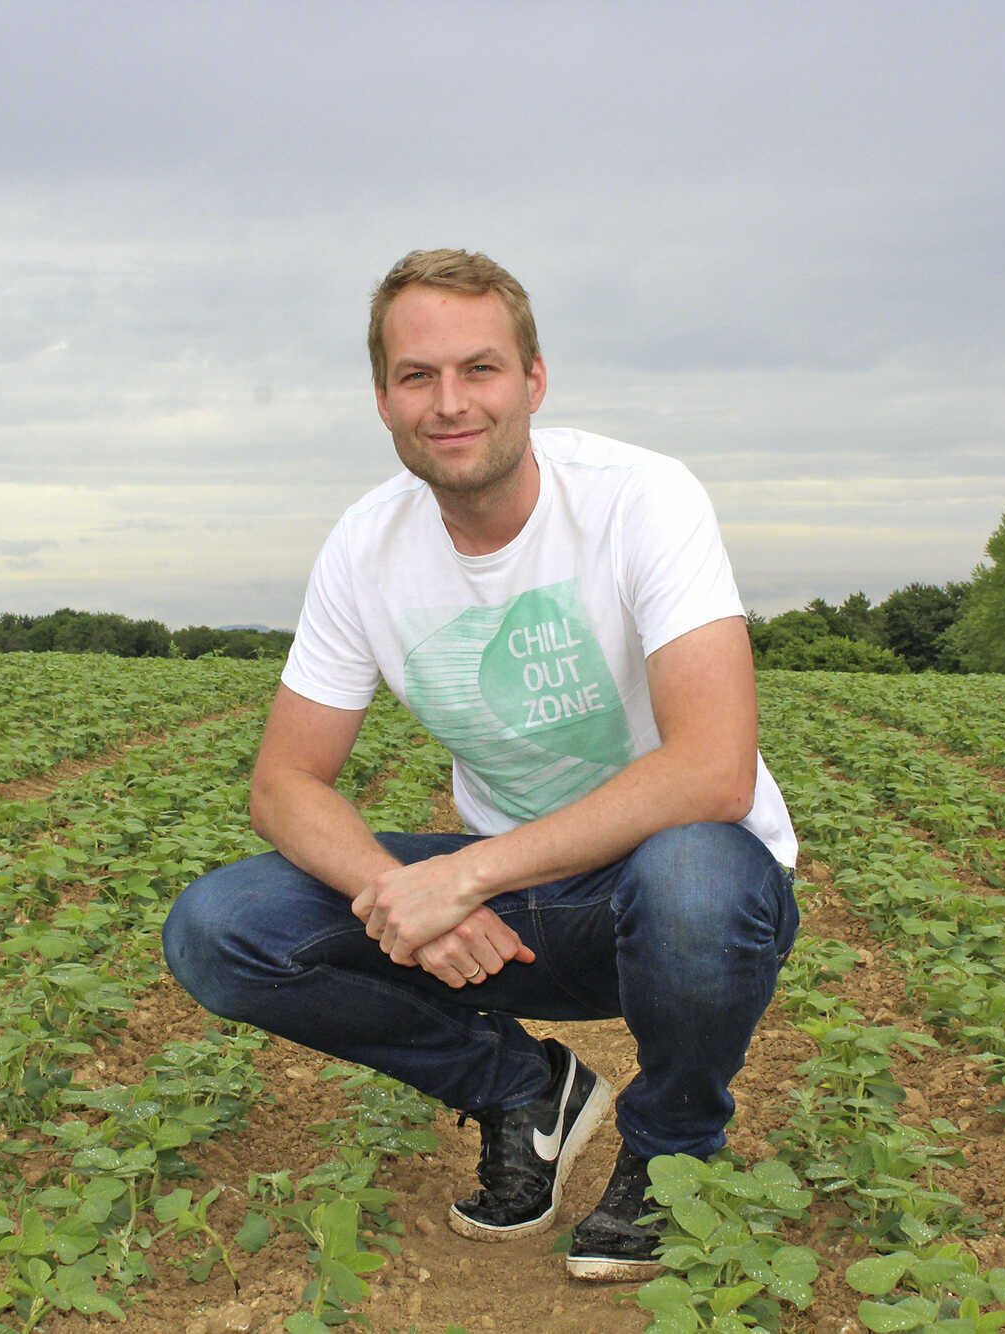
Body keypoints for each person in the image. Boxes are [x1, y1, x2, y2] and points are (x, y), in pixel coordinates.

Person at [163, 248, 799, 1282]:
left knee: (691, 867)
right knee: (220, 928)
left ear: (533, 380)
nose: (448, 402)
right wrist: (396, 887)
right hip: (520, 914)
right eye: (417, 376)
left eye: (480, 369)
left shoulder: (641, 498)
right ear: (382, 399)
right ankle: (519, 1088)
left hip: (680, 898)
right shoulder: (366, 546)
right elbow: (283, 781)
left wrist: (464, 874)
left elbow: (712, 768)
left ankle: (672, 1150)